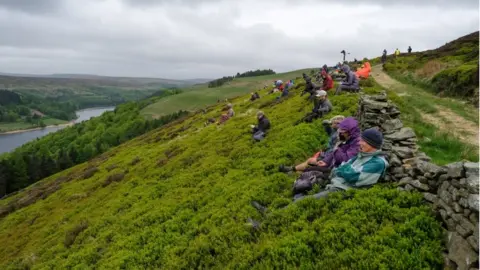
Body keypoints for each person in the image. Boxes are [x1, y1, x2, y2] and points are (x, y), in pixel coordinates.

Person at [293, 128, 388, 201]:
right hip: (337, 183)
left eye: (363, 141)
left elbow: (354, 176)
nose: (360, 143)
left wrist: (343, 169)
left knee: (301, 202)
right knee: (307, 182)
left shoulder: (378, 163)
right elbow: (342, 167)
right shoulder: (362, 155)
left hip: (344, 191)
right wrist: (344, 169)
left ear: (372, 144)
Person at [280, 117, 360, 173]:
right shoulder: (345, 139)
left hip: (337, 168)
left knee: (310, 166)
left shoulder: (356, 143)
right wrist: (325, 161)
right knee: (311, 162)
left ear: (350, 131)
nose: (340, 132)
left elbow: (345, 160)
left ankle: (292, 171)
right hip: (331, 161)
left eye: (343, 130)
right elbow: (333, 153)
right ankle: (292, 169)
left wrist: (336, 149)